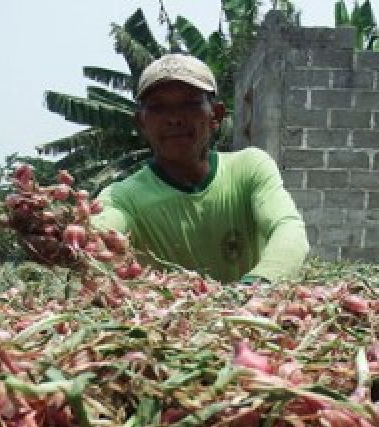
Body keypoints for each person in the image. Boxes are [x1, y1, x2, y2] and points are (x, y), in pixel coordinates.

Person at [92, 53, 309, 284]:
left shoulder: (250, 168)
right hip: (169, 318)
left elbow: (288, 229)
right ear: (141, 123)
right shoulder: (122, 197)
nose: (174, 118)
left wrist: (254, 289)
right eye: (157, 108)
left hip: (252, 313)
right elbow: (99, 233)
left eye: (189, 104)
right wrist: (68, 237)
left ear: (216, 115)